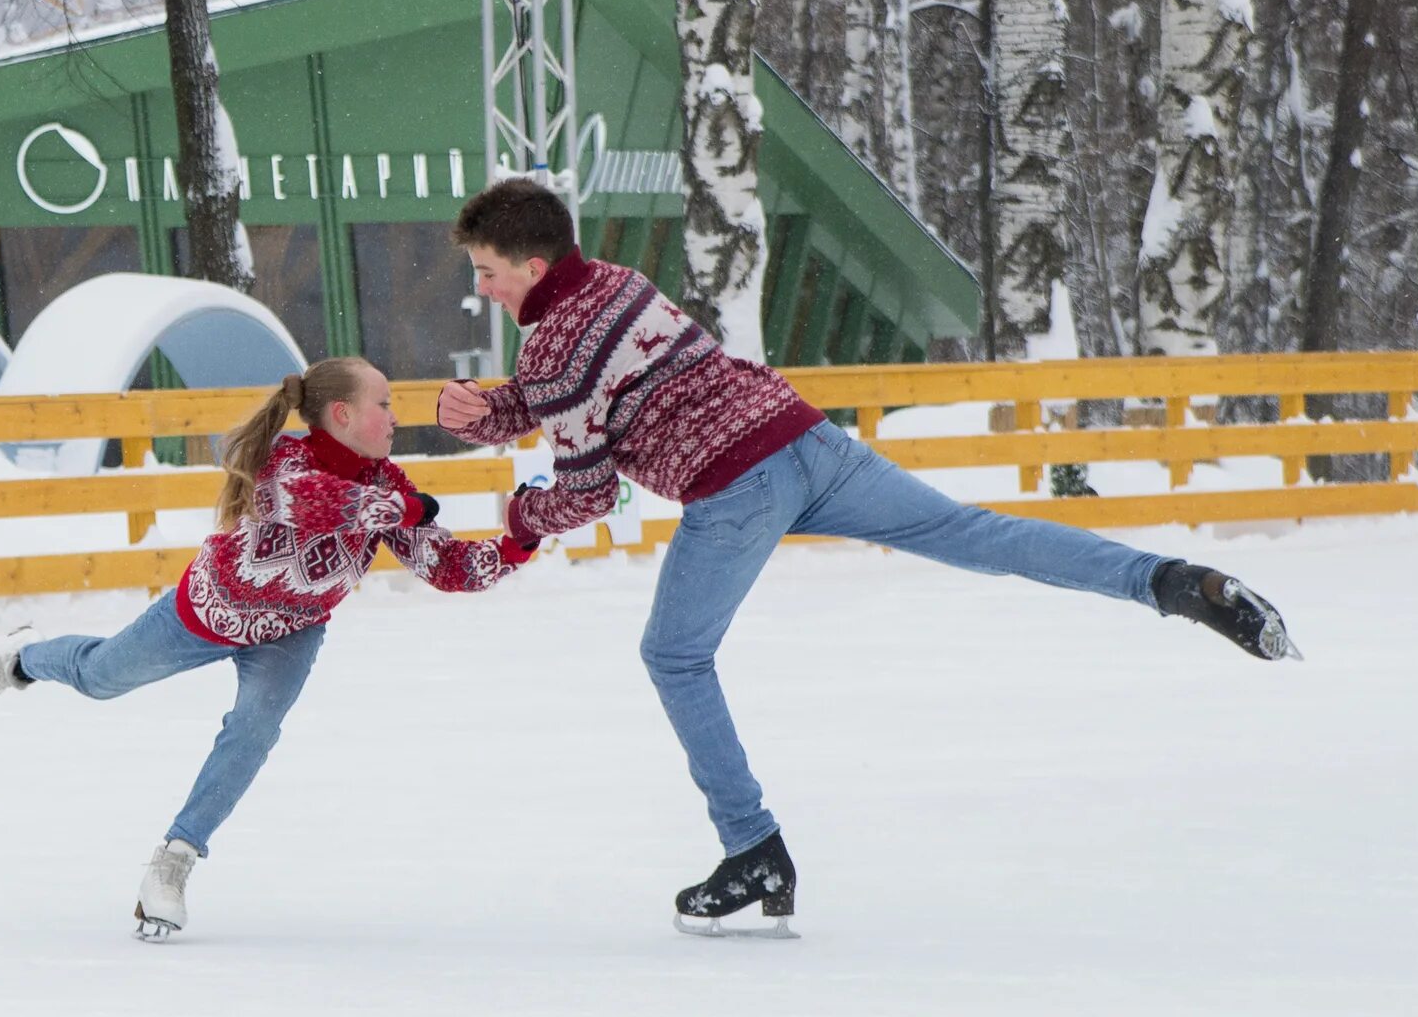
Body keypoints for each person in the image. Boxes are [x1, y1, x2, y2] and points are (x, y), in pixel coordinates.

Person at [432, 177, 1299, 938]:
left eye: (486, 271)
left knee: (673, 655)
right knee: (977, 533)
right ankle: (1168, 581)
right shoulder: (619, 285)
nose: (480, 289)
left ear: (533, 270)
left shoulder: (549, 347)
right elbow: (602, 390)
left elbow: (582, 490)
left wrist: (519, 508)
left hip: (733, 487)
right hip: (806, 439)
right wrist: (499, 413)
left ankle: (754, 848)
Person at [0, 358, 532, 941]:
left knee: (254, 728)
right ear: (343, 413)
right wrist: (404, 507)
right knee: (101, 677)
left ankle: (175, 859)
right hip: (209, 611)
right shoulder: (287, 463)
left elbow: (444, 565)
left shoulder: (386, 483)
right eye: (384, 404)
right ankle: (22, 659)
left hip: (293, 630)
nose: (394, 416)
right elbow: (316, 503)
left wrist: (519, 541)